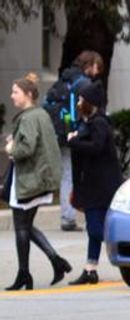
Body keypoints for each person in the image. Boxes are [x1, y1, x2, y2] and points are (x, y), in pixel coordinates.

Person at [4, 74, 72, 290]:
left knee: (21, 228)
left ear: (28, 94)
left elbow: (27, 148)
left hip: (30, 180)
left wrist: (10, 148)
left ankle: (25, 274)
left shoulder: (29, 118)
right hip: (39, 179)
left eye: (15, 92)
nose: (12, 96)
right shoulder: (40, 114)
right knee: (25, 226)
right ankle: (56, 262)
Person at [65, 82, 121, 286]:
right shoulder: (88, 123)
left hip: (100, 187)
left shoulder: (99, 123)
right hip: (93, 186)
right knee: (93, 229)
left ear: (90, 103)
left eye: (81, 100)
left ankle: (122, 249)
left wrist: (73, 141)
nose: (79, 103)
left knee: (95, 229)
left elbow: (96, 147)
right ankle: (90, 269)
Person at [46, 50, 105, 231]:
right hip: (75, 134)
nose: (98, 71)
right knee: (76, 174)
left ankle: (67, 216)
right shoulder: (84, 84)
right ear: (89, 65)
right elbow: (84, 111)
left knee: (66, 173)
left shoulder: (64, 79)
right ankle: (73, 216)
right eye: (97, 66)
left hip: (58, 132)